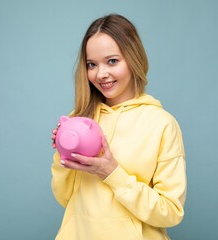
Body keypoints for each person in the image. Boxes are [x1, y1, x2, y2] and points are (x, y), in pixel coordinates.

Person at [51, 14, 187, 240]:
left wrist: (112, 173)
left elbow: (170, 212)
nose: (101, 74)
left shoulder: (161, 123)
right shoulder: (79, 118)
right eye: (91, 64)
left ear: (133, 59)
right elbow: (65, 197)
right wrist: (62, 154)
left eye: (112, 61)